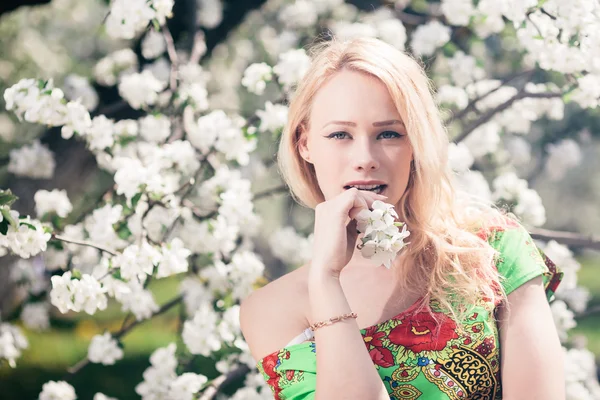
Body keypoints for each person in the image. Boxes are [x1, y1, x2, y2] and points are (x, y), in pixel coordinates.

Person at [239, 37, 565, 400]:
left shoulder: (492, 250)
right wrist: (326, 282)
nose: (365, 157)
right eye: (340, 134)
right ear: (305, 144)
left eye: (389, 133)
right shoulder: (270, 310)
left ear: (416, 143)